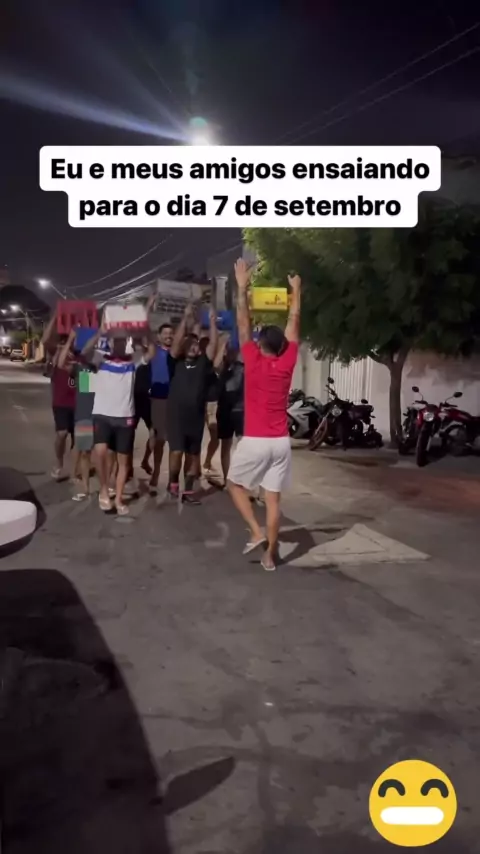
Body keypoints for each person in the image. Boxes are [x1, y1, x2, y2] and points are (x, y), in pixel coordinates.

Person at [227, 259, 301, 571]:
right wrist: (296, 292)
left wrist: (242, 286)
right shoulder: (287, 362)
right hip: (281, 442)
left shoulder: (252, 360)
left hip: (256, 440)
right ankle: (270, 557)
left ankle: (256, 532)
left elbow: (243, 323)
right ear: (282, 346)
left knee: (234, 485)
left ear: (260, 344)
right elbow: (294, 323)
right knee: (273, 501)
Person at [83, 323, 152, 515]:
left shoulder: (133, 360)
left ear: (126, 342)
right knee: (100, 452)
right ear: (111, 342)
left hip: (125, 417)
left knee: (123, 461)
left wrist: (143, 333)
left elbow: (151, 352)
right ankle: (104, 489)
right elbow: (85, 352)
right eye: (116, 340)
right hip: (102, 414)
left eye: (123, 340)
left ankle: (119, 498)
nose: (119, 343)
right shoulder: (100, 358)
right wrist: (100, 333)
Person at [166, 303, 218, 504]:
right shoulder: (175, 362)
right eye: (190, 343)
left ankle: (187, 491)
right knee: (176, 451)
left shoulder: (203, 363)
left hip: (195, 418)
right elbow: (177, 343)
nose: (193, 346)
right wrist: (185, 317)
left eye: (196, 344)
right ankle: (173, 483)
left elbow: (213, 346)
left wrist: (212, 322)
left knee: (193, 455)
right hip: (176, 416)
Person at [58, 327, 97, 501]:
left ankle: (108, 487)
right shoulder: (80, 368)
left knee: (105, 454)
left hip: (104, 416)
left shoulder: (103, 366)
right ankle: (85, 487)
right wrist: (70, 340)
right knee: (84, 451)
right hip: (84, 416)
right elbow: (61, 364)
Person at [42, 311, 76, 480]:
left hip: (80, 402)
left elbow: (87, 381)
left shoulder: (83, 353)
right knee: (62, 434)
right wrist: (54, 317)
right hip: (61, 401)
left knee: (81, 438)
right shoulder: (58, 349)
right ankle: (59, 463)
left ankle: (77, 465)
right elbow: (45, 340)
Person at [148, 322, 174, 494]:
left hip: (175, 401)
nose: (168, 336)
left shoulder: (177, 353)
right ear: (159, 336)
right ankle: (155, 473)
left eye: (171, 333)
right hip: (158, 400)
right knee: (159, 440)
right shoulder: (154, 351)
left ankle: (172, 480)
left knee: (174, 443)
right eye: (165, 333)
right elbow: (145, 334)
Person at [216, 337, 245, 484]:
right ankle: (227, 479)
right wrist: (223, 344)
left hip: (240, 410)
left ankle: (240, 480)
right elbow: (215, 366)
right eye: (229, 350)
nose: (232, 353)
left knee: (242, 447)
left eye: (234, 350)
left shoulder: (242, 367)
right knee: (225, 445)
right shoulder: (221, 367)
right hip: (224, 411)